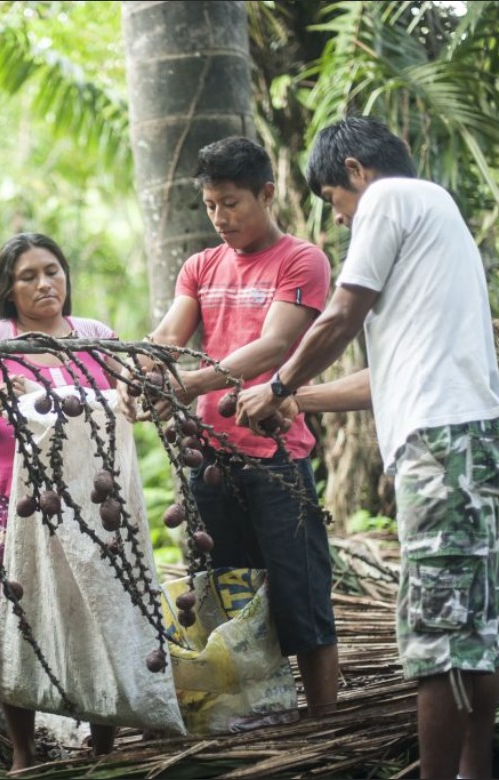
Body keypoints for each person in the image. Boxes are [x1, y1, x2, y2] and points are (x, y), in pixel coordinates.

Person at [236, 116, 499, 779]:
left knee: (438, 639)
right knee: (472, 635)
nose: (337, 219)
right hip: (468, 440)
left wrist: (276, 381)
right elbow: (378, 377)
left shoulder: (390, 198)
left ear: (356, 171)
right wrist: (294, 399)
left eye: (334, 201)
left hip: (443, 449)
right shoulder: (432, 222)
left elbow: (338, 315)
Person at [118, 136, 339, 718]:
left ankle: (324, 727)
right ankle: (253, 718)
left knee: (302, 599)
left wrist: (187, 387)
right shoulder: (200, 266)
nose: (220, 218)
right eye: (211, 205)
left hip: (276, 458)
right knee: (227, 595)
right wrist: (136, 373)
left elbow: (276, 343)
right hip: (210, 461)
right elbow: (168, 336)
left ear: (267, 193)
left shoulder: (301, 260)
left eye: (233, 203)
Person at [0, 232, 121, 771]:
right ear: (8, 288)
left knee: (97, 615)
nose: (45, 283)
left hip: (88, 501)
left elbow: (127, 403)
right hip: (9, 497)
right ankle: (23, 754)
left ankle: (104, 749)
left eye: (53, 270)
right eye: (28, 276)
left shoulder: (95, 336)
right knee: (10, 620)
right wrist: (3, 399)